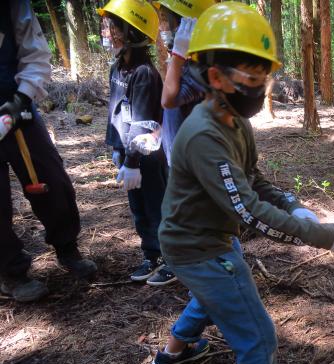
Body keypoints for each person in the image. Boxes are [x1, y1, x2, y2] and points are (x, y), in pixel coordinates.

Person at [150, 3, 334, 364]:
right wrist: (323, 236)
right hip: (199, 247)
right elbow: (246, 209)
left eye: (264, 75)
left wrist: (291, 202)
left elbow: (254, 181)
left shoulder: (232, 123)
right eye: (249, 76)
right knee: (257, 331)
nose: (259, 86)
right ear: (214, 77)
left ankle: (172, 353)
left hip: (204, 240)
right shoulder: (205, 134)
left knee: (215, 295)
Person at [0, 0, 97, 302]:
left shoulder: (14, 6)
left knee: (51, 178)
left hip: (16, 105)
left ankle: (67, 247)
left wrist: (20, 99)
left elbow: (35, 53)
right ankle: (11, 272)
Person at [99, 0, 176, 286]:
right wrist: (116, 148)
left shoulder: (144, 73)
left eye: (114, 27)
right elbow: (115, 112)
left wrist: (132, 161)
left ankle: (172, 258)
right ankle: (151, 254)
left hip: (146, 158)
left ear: (131, 32)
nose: (108, 33)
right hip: (128, 155)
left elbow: (143, 123)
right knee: (139, 209)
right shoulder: (118, 68)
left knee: (158, 207)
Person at [157, 0, 213, 166]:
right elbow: (175, 113)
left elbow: (167, 101)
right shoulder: (186, 66)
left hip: (191, 168)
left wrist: (178, 55)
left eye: (168, 21)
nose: (163, 28)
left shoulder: (199, 70)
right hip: (179, 162)